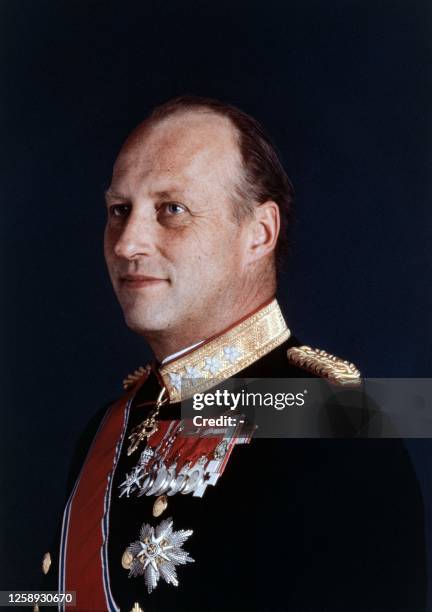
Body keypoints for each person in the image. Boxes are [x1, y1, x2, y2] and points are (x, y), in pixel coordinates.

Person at [40, 96, 426, 611]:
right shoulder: (112, 424)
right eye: (119, 210)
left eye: (171, 210)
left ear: (259, 234)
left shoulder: (332, 421)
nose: (127, 243)